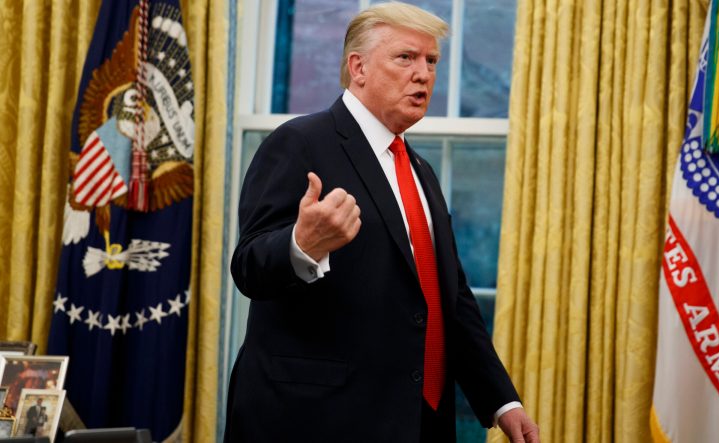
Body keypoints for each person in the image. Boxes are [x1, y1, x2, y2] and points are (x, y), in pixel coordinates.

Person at [225, 2, 539, 442]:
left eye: (431, 61)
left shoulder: (420, 172)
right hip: (318, 421)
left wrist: (503, 402)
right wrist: (302, 244)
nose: (424, 74)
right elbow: (248, 266)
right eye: (406, 58)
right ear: (358, 67)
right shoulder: (298, 143)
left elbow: (449, 299)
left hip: (418, 421)